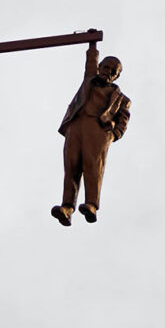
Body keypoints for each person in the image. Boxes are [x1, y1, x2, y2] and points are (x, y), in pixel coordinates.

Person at [51, 41, 130, 225]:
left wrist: (113, 134)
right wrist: (92, 44)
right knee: (71, 166)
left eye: (113, 71)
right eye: (106, 67)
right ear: (100, 66)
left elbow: (123, 120)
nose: (108, 72)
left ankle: (91, 204)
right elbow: (90, 62)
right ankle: (67, 207)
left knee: (93, 166)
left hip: (98, 129)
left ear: (116, 76)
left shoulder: (122, 99)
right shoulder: (89, 80)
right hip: (76, 125)